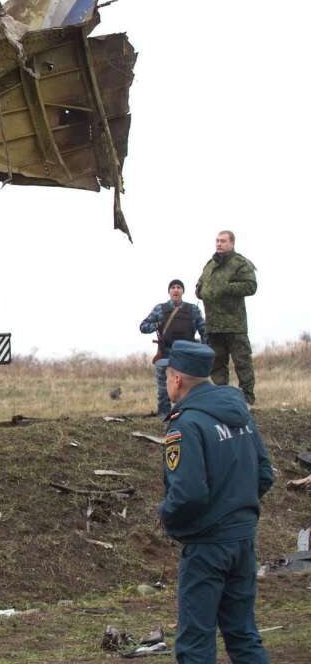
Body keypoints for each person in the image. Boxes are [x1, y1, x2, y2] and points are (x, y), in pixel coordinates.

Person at [159, 340, 273, 663]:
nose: (166, 383)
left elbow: (188, 495)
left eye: (167, 376)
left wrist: (165, 516)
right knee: (243, 635)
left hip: (207, 548)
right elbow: (265, 473)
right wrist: (236, 509)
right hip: (243, 541)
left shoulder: (186, 424)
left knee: (195, 644)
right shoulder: (240, 414)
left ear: (177, 379)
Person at [195, 231, 258, 404]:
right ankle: (222, 399)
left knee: (242, 362)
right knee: (217, 364)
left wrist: (226, 288)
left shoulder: (240, 263)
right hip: (214, 325)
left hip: (234, 324)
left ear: (232, 243)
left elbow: (251, 286)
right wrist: (201, 291)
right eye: (217, 241)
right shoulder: (210, 264)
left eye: (222, 241)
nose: (218, 244)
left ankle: (247, 399)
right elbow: (200, 285)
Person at [139, 279, 205, 417]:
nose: (176, 290)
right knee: (163, 386)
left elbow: (204, 330)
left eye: (179, 287)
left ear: (182, 291)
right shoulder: (160, 309)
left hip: (187, 354)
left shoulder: (193, 309)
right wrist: (156, 325)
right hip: (166, 353)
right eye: (173, 287)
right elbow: (143, 327)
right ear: (169, 291)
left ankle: (187, 413)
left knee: (188, 386)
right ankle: (163, 414)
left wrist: (204, 350)